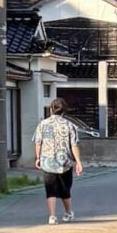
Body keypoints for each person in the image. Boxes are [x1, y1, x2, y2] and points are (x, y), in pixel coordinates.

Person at [32, 96, 83, 224]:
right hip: (64, 162)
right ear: (64, 111)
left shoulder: (43, 124)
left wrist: (38, 158)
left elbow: (38, 143)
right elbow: (74, 145)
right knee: (65, 189)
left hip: (47, 161)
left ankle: (52, 216)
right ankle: (68, 213)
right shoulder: (70, 125)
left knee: (50, 190)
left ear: (51, 109)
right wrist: (78, 161)